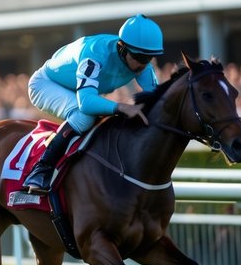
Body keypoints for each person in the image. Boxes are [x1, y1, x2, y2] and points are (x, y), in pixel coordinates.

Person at [21, 13, 164, 195]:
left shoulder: (142, 63)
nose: (142, 64)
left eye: (148, 58)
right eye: (138, 57)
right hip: (46, 84)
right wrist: (121, 107)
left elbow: (157, 101)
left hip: (80, 90)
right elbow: (87, 103)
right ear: (122, 48)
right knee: (85, 116)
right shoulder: (96, 52)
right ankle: (41, 170)